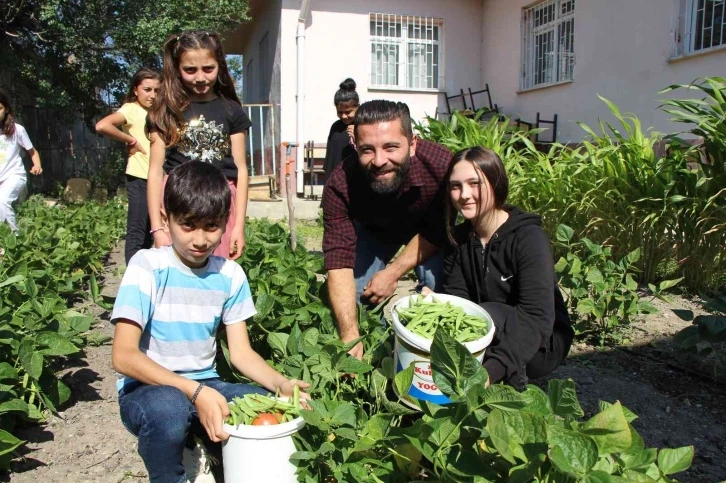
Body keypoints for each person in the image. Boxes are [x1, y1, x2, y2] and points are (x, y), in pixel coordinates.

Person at [111, 161, 310, 482]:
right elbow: (123, 356)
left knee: (261, 407)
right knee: (170, 409)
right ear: (165, 219)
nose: (201, 239)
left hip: (207, 383)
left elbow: (242, 354)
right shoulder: (147, 265)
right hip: (147, 390)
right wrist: (194, 392)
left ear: (225, 223)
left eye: (212, 226)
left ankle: (207, 450)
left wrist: (281, 385)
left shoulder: (229, 275)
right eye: (188, 225)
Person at [322, 100, 452, 360]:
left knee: (438, 287)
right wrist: (349, 336)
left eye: (391, 147)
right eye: (367, 150)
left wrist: (392, 273)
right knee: (359, 294)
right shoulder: (340, 184)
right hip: (373, 231)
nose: (379, 160)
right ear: (355, 146)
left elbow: (439, 230)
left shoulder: (441, 166)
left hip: (425, 233)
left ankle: (428, 353)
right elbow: (338, 262)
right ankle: (378, 352)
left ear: (412, 144)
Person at [439, 146, 573, 389]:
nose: (464, 194)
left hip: (543, 343)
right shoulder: (459, 240)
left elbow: (537, 316)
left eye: (474, 183)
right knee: (454, 316)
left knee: (487, 313)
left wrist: (489, 372)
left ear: (496, 183)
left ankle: (510, 380)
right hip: (491, 333)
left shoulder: (528, 238)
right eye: (456, 186)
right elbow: (459, 302)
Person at [147, 30, 251, 260]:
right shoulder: (166, 111)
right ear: (177, 69)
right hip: (178, 199)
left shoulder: (232, 111)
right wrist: (157, 227)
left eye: (208, 68)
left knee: (216, 272)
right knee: (173, 274)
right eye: (190, 70)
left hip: (220, 199)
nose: (201, 77)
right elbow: (155, 172)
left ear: (219, 66)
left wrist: (238, 227)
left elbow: (242, 170)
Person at [95, 68, 161, 264]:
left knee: (154, 230)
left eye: (157, 90)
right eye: (147, 89)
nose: (152, 95)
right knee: (137, 230)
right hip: (140, 176)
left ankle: (147, 277)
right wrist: (130, 140)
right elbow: (102, 125)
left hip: (160, 178)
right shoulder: (131, 109)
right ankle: (132, 281)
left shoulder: (159, 111)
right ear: (135, 90)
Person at [0, 90, 42, 234]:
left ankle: (16, 240)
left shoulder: (17, 130)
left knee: (3, 201)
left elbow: (32, 151)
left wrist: (37, 165)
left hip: (14, 175)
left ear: (6, 109)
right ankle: (3, 241)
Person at [323, 78, 359, 181]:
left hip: (356, 179)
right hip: (335, 178)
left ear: (358, 107)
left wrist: (358, 138)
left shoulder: (363, 126)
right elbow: (329, 160)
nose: (343, 116)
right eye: (340, 112)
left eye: (348, 112)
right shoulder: (335, 127)